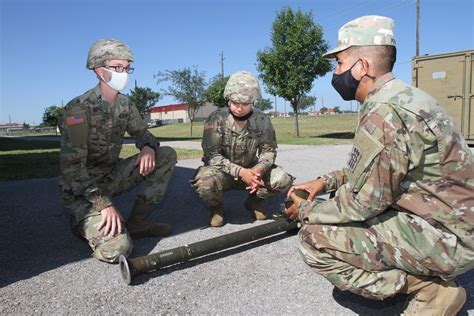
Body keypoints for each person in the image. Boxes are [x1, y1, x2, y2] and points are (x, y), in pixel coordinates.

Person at [285, 16, 473, 315]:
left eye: (339, 64)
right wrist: (324, 182)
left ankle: (430, 291)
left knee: (313, 239)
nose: (335, 73)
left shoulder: (385, 111)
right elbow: (369, 173)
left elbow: (363, 202)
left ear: (361, 67)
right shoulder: (401, 97)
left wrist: (305, 210)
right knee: (338, 202)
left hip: (450, 239)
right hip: (453, 224)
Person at [59, 39, 177, 263]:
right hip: (82, 191)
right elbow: (72, 169)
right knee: (118, 249)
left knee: (166, 154)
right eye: (116, 68)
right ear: (97, 69)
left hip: (110, 177)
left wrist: (148, 148)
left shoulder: (126, 105)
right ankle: (83, 220)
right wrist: (104, 204)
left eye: (126, 68)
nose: (123, 73)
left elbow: (144, 133)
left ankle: (139, 222)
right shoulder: (78, 109)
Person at [192, 70, 294, 227]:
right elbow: (211, 156)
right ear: (228, 101)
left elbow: (268, 150)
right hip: (222, 173)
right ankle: (217, 207)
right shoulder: (216, 119)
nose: (239, 108)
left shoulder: (262, 120)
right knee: (205, 183)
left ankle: (254, 202)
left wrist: (259, 169)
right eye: (235, 103)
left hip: (252, 171)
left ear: (253, 102)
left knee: (282, 179)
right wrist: (241, 172)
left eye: (245, 104)